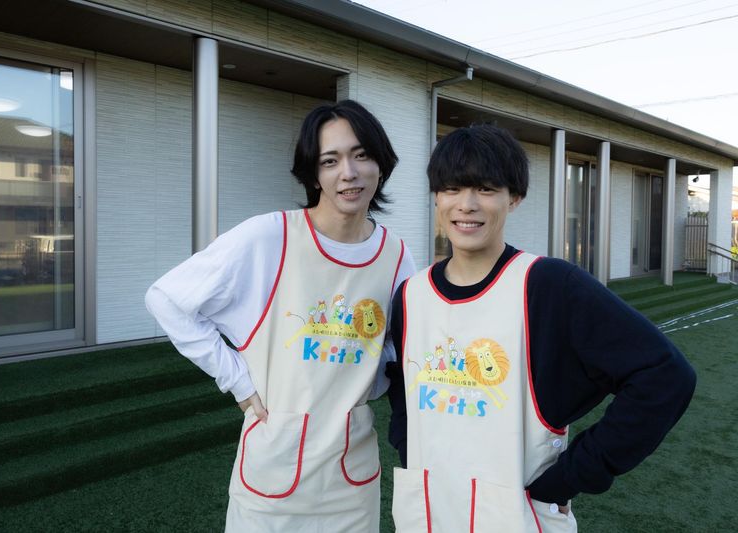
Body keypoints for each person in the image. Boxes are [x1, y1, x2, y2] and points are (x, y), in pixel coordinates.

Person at [386, 125, 696, 532]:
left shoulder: (548, 284)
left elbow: (666, 376)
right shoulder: (411, 294)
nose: (467, 204)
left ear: (514, 197)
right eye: (452, 189)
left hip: (519, 515)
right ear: (436, 196)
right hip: (427, 510)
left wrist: (571, 475)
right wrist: (405, 445)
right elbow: (402, 387)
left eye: (485, 189)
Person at [145, 100, 415, 532]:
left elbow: (397, 349)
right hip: (272, 473)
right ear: (313, 174)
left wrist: (372, 379)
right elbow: (167, 299)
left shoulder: (397, 255)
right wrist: (237, 380)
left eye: (361, 154)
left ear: (381, 164)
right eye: (330, 160)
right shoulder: (269, 236)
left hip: (351, 477)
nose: (348, 172)